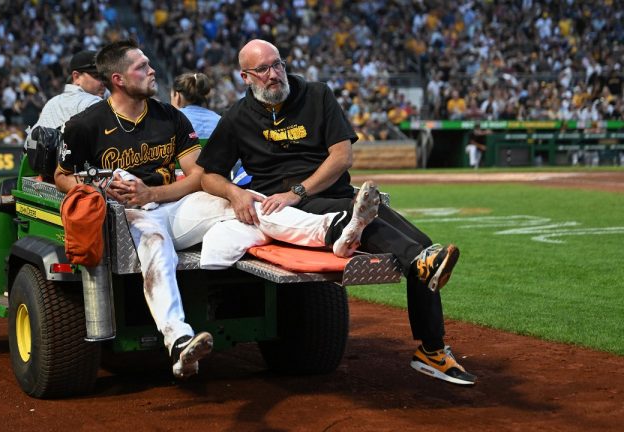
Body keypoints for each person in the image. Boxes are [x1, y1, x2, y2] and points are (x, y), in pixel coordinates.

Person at [54, 39, 378, 380]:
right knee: (154, 245)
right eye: (142, 67)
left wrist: (158, 191)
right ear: (118, 79)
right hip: (129, 214)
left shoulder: (169, 117)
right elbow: (62, 176)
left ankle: (333, 229)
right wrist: (96, 189)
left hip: (173, 203)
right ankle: (179, 340)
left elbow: (198, 176)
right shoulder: (85, 124)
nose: (153, 70)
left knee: (247, 201)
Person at [197, 39, 476, 386]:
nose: (274, 74)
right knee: (408, 250)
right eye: (264, 69)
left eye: (278, 64)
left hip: (325, 192)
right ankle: (420, 270)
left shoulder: (316, 94)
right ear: (245, 76)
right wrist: (235, 193)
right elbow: (207, 174)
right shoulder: (237, 117)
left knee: (425, 245)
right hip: (284, 205)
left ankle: (431, 350)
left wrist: (298, 192)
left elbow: (342, 156)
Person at [170, 71, 249, 186]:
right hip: (218, 183)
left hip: (180, 185)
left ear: (177, 96)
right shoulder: (221, 120)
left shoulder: (171, 121)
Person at [30, 50, 107, 131]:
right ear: (76, 77)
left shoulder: (51, 103)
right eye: (97, 77)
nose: (104, 83)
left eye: (105, 78)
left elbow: (31, 142)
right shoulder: (94, 102)